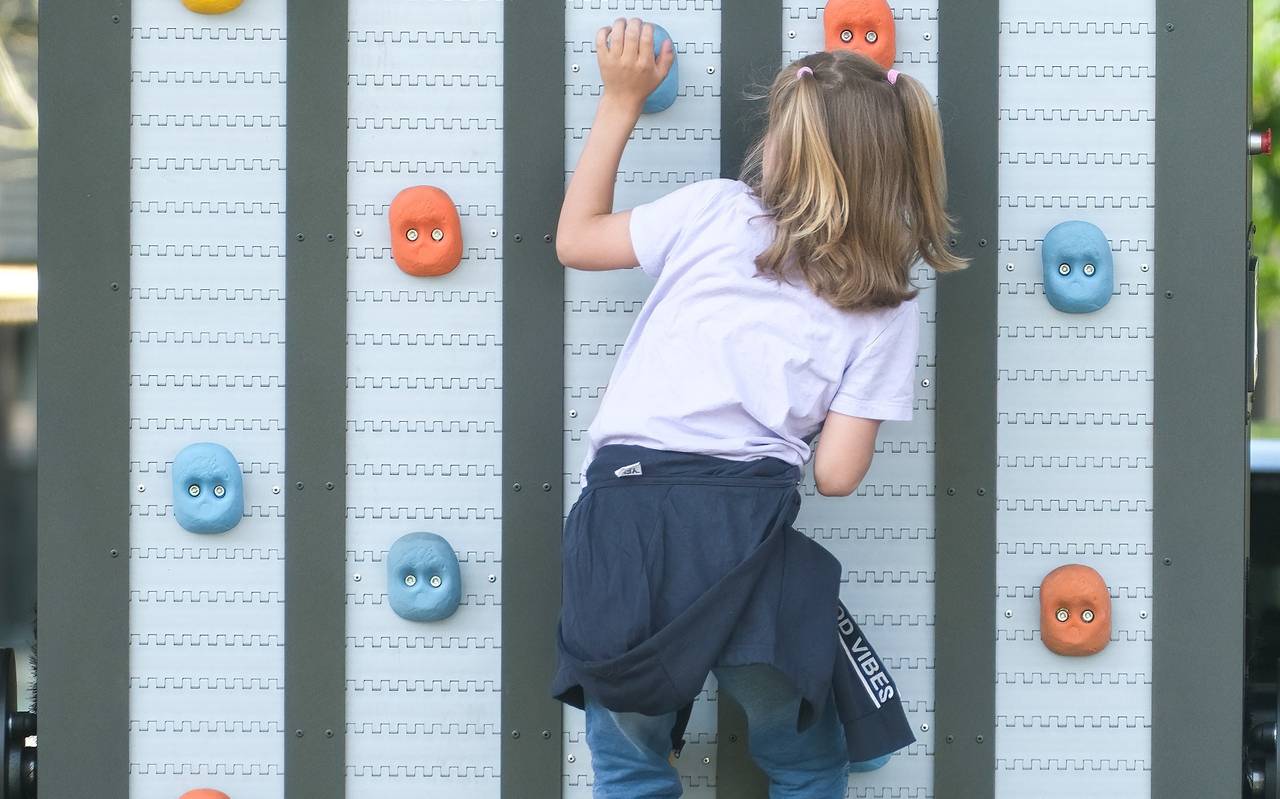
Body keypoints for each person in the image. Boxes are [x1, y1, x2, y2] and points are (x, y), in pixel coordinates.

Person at [551, 17, 968, 799]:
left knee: (631, 766)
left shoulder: (713, 211)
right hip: (744, 535)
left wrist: (620, 101)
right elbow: (839, 474)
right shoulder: (885, 298)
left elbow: (576, 239)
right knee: (806, 762)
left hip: (625, 518)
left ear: (789, 145)